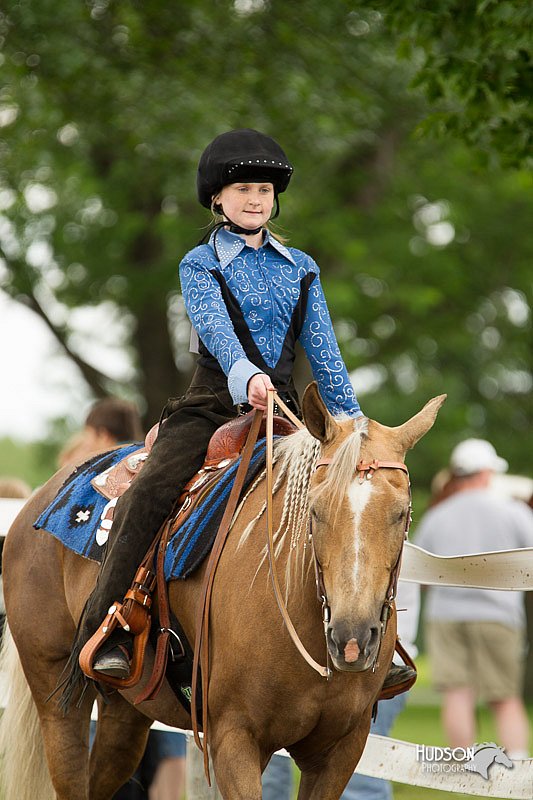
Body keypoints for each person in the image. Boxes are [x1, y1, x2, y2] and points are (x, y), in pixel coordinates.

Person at [68, 128, 409, 697]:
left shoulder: (301, 267)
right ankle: (112, 624)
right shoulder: (200, 263)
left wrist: (352, 423)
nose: (256, 198)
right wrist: (243, 373)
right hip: (210, 404)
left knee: (350, 500)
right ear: (217, 200)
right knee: (152, 488)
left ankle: (377, 637)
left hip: (289, 411)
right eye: (243, 188)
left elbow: (324, 350)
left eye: (265, 190)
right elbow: (217, 332)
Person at [416, 438, 533, 758]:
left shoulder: (436, 516)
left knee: (457, 692)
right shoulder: (513, 510)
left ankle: (463, 765)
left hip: (445, 615)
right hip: (498, 615)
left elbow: (421, 572)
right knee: (504, 695)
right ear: (484, 472)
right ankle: (517, 759)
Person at [58, 397, 145, 468]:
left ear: (104, 436)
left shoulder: (102, 473)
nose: (86, 443)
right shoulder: (146, 462)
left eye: (88, 435)